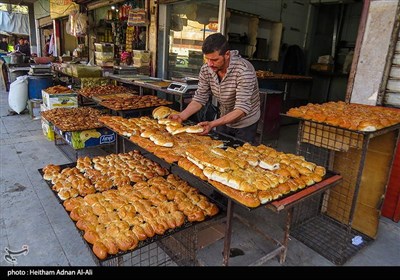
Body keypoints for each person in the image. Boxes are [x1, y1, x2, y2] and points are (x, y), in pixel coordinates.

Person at [169, 33, 261, 144]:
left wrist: (212, 124)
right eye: (207, 59)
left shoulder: (244, 71)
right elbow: (199, 98)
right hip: (224, 117)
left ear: (227, 55)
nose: (210, 64)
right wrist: (181, 116)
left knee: (240, 156)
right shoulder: (206, 69)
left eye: (214, 60)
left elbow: (241, 109)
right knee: (220, 151)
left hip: (245, 122)